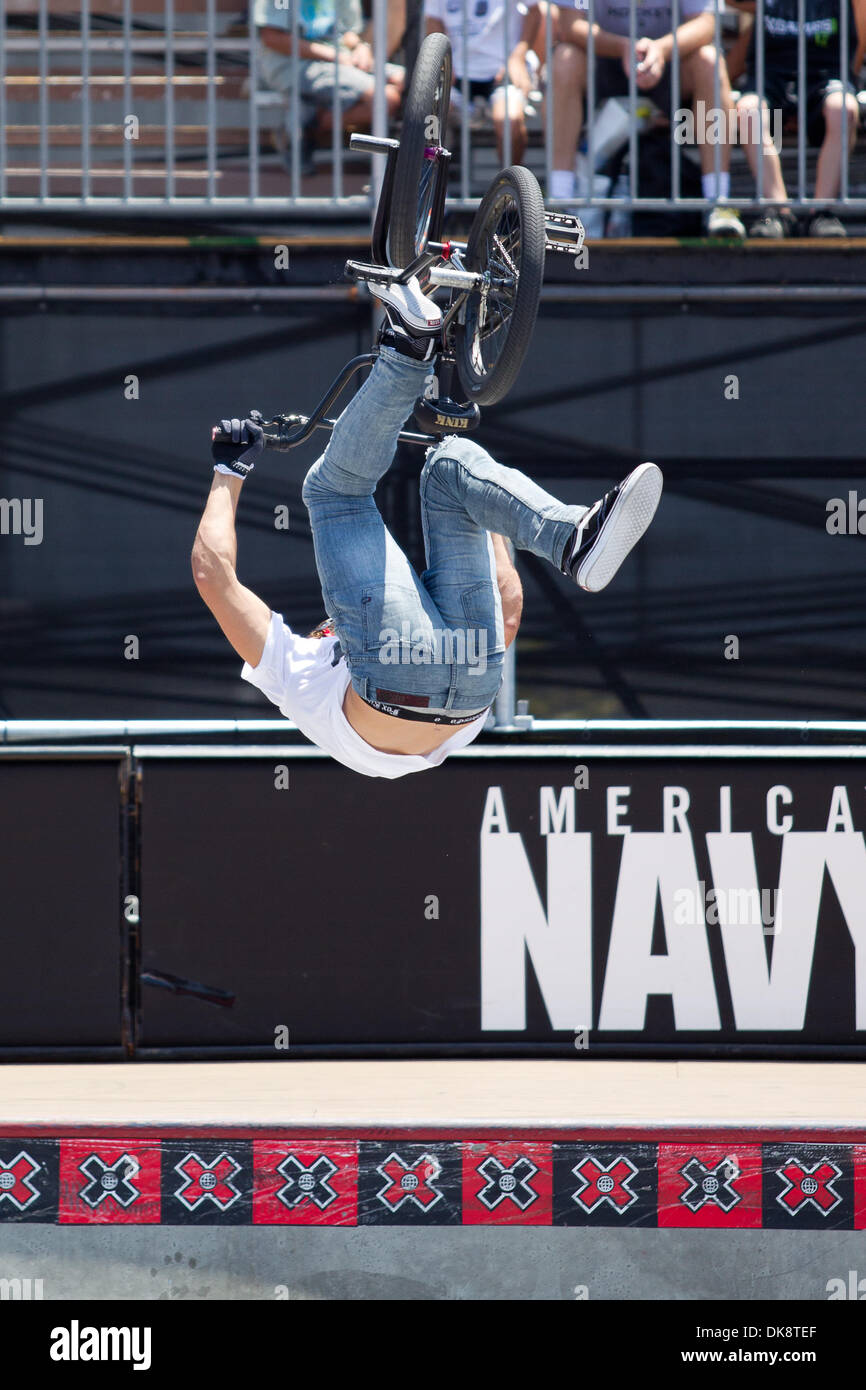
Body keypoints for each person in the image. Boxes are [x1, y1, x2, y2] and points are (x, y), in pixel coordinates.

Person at [192, 279, 662, 778]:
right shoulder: (292, 672)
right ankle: (412, 346)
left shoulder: (306, 686)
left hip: (472, 695)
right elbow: (211, 578)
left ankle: (573, 539)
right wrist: (228, 471)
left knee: (449, 468)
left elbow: (508, 609)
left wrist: (486, 511)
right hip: (390, 684)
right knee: (336, 493)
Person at [551, 0, 747, 237]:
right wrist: (624, 47)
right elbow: (569, 24)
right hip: (602, 62)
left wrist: (661, 50)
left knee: (710, 59)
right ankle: (559, 202)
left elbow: (706, 23)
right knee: (564, 58)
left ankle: (718, 202)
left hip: (672, 62)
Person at [730, 0, 866, 238]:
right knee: (748, 109)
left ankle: (821, 213)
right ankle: (779, 212)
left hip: (825, 74)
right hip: (772, 76)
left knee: (843, 108)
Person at [254, 0, 404, 174]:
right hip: (293, 65)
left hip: (341, 61)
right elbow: (272, 37)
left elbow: (347, 32)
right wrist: (333, 56)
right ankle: (304, 129)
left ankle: (302, 125)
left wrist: (360, 47)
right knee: (386, 98)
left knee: (405, 80)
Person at [425, 0, 540, 164]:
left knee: (510, 121)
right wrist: (443, 63)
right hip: (457, 73)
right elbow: (433, 20)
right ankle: (432, 183)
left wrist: (518, 57)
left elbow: (535, 11)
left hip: (503, 71)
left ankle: (511, 184)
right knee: (430, 114)